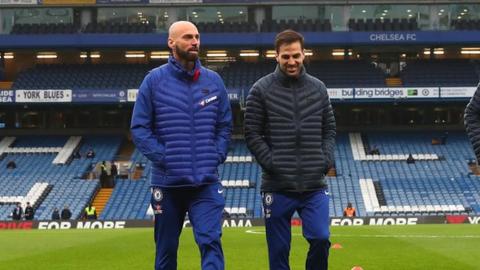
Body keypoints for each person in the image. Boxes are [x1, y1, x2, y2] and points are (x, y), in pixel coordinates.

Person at [130, 21, 232, 270]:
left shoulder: (214, 81)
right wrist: (165, 157)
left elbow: (225, 125)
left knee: (211, 242)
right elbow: (139, 128)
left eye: (197, 36)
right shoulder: (153, 81)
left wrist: (216, 154)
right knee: (166, 250)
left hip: (205, 183)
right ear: (171, 42)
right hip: (168, 184)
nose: (195, 41)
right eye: (187, 37)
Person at [245, 29, 335, 270]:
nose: (291, 61)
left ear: (304, 54)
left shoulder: (318, 88)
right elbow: (252, 133)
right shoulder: (260, 89)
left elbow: (329, 129)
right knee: (279, 251)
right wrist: (273, 164)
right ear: (276, 56)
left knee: (320, 238)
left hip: (313, 185)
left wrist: (325, 160)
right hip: (277, 186)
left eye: (296, 55)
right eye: (286, 56)